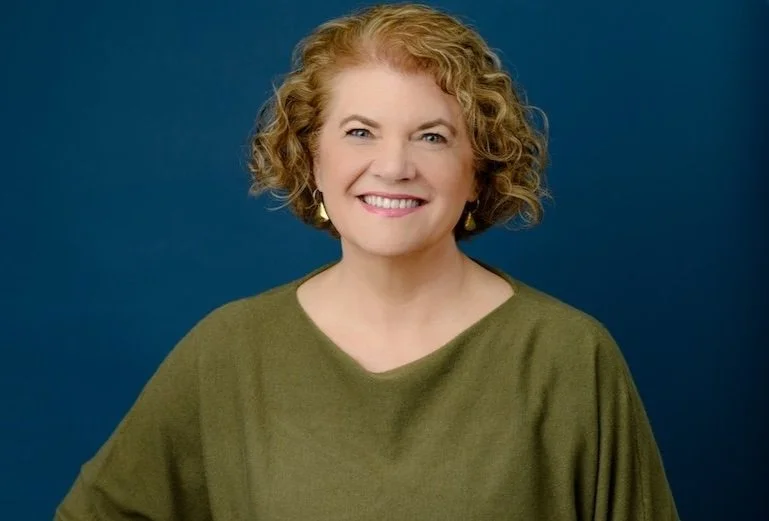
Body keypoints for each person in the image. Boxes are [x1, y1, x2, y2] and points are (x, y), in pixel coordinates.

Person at [55, 3, 679, 520]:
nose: (394, 166)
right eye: (360, 132)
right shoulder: (230, 352)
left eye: (432, 136)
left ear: (478, 171)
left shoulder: (569, 357)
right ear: (312, 160)